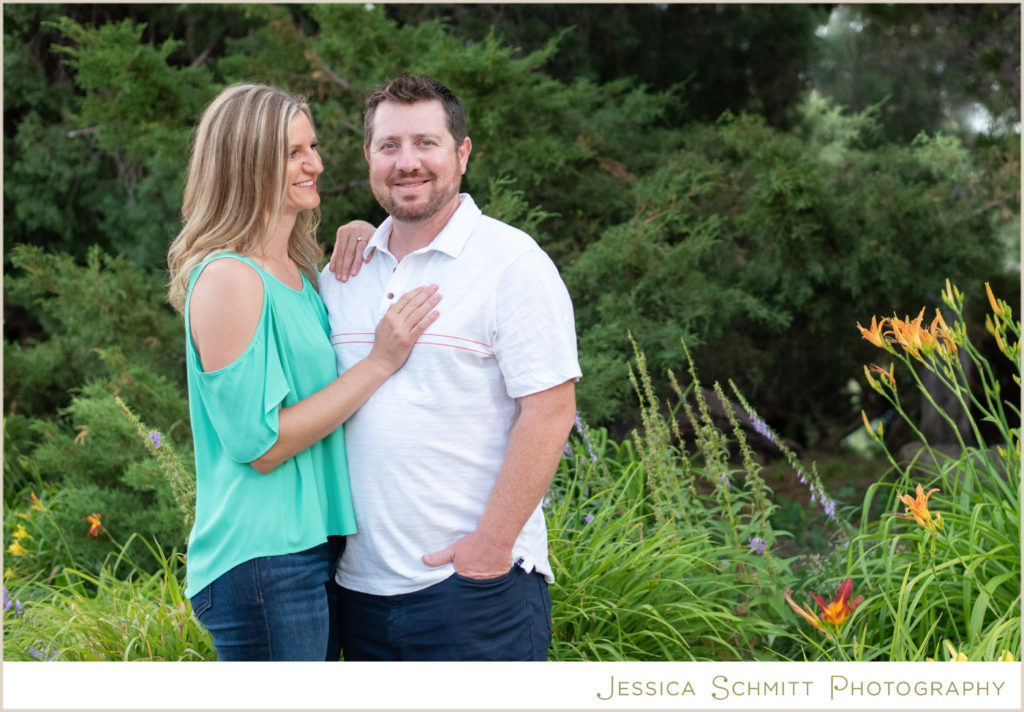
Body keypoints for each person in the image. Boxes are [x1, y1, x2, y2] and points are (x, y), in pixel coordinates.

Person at [166, 83, 441, 661]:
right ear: (248, 160)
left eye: (311, 147)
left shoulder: (294, 272)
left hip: (311, 551)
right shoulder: (229, 279)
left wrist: (372, 234)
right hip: (263, 560)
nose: (314, 163)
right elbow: (259, 444)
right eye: (294, 152)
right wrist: (381, 362)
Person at [318, 74, 580, 661]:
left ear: (462, 153)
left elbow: (551, 409)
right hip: (355, 595)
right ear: (369, 158)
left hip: (473, 592)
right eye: (389, 146)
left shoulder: (512, 263)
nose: (407, 162)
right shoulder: (343, 273)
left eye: (426, 143)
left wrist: (490, 547)